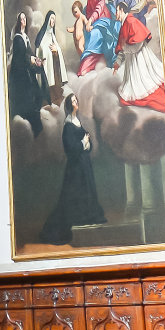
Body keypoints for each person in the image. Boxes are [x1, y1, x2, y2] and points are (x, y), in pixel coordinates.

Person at [41, 93, 107, 244]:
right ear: (69, 105)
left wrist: (87, 144)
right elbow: (70, 148)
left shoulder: (78, 121)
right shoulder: (68, 125)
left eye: (76, 100)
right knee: (73, 194)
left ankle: (86, 217)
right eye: (73, 101)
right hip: (75, 167)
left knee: (87, 190)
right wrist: (83, 142)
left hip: (84, 164)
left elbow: (87, 144)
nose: (76, 102)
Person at [113, 8, 165, 110]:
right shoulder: (124, 24)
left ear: (121, 10)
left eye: (116, 11)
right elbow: (122, 47)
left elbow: (138, 44)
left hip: (139, 58)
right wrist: (117, 63)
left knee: (145, 84)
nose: (115, 13)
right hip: (131, 60)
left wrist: (126, 49)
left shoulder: (131, 21)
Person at [7, 12, 45, 138]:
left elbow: (29, 53)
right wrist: (31, 60)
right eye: (21, 19)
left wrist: (37, 61)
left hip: (27, 73)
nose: (23, 20)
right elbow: (20, 57)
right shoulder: (18, 38)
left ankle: (36, 130)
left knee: (38, 95)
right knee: (28, 100)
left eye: (24, 18)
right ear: (18, 22)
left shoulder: (25, 37)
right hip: (20, 77)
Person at [77, 0, 125, 76]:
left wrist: (90, 20)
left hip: (103, 21)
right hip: (98, 23)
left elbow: (99, 7)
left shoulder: (117, 21)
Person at [34, 11, 69, 106]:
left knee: (56, 87)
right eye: (51, 18)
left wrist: (56, 50)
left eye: (54, 19)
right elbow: (40, 50)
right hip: (45, 69)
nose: (53, 21)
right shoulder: (42, 35)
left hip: (54, 67)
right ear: (48, 20)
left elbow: (57, 51)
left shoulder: (52, 35)